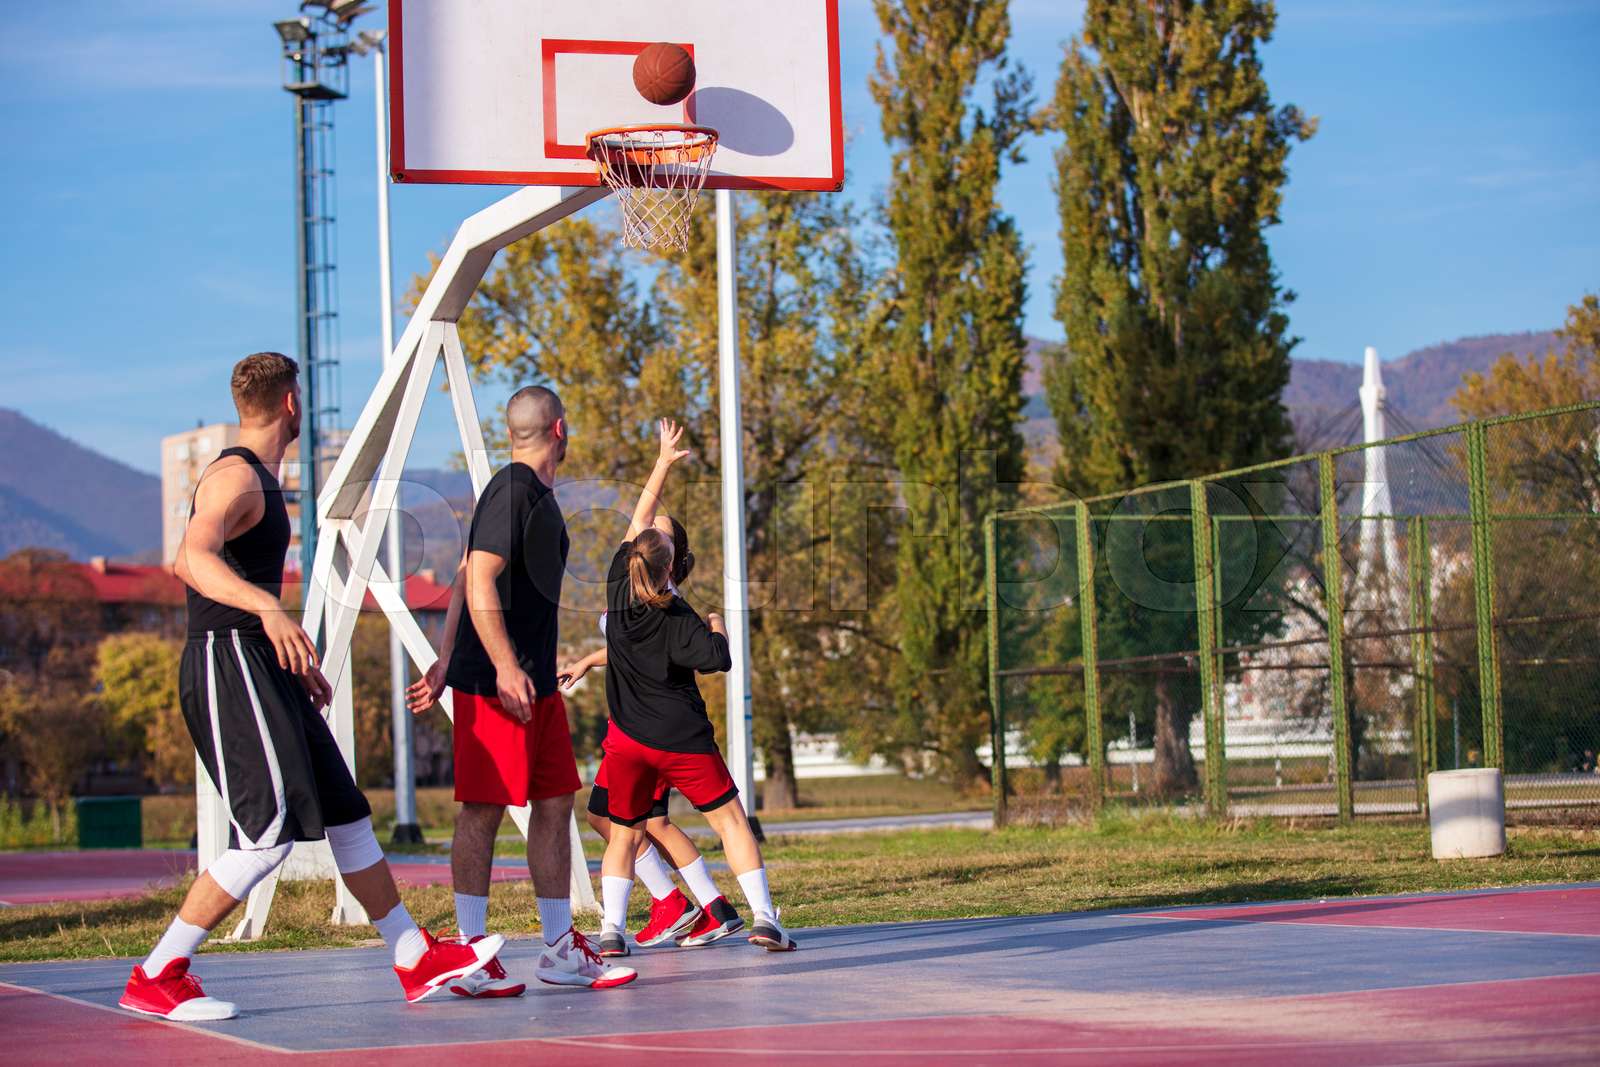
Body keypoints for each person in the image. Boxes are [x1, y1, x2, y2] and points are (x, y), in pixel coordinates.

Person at [120, 353, 501, 1022]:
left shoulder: (260, 479)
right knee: (265, 836)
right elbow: (190, 556)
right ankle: (158, 971)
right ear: (291, 404)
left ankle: (412, 956)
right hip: (226, 660)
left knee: (347, 812)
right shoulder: (235, 475)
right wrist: (269, 612)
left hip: (262, 664)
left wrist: (287, 658)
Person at [407, 386, 634, 994]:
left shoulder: (532, 494)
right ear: (560, 429)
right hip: (497, 686)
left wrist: (445, 654)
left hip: (533, 683)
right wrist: (498, 665)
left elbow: (462, 573)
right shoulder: (512, 490)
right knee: (481, 810)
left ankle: (559, 950)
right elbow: (479, 576)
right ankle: (468, 955)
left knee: (557, 802)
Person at [596, 419, 798, 956]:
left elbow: (638, 516)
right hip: (682, 738)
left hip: (630, 742)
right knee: (731, 820)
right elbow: (719, 660)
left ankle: (611, 930)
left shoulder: (618, 588)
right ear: (670, 569)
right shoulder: (681, 617)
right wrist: (716, 620)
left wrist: (661, 462)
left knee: (623, 834)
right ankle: (765, 919)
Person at [558, 516, 740, 956]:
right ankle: (692, 903)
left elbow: (703, 654)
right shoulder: (636, 586)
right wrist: (587, 661)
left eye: (656, 531)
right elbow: (629, 646)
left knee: (638, 823)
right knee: (609, 819)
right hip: (632, 725)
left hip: (648, 730)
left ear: (668, 558)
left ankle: (688, 904)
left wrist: (717, 626)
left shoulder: (665, 599)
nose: (644, 529)